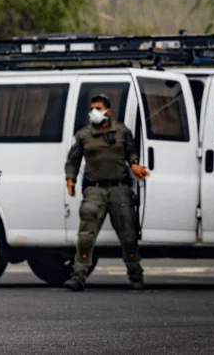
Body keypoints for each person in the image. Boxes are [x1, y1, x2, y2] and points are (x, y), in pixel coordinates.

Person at [64, 94, 151, 292]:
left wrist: (135, 165)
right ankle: (78, 276)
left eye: (99, 108)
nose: (94, 111)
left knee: (128, 235)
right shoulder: (84, 135)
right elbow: (73, 160)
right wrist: (71, 179)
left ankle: (136, 274)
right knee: (86, 235)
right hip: (95, 189)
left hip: (119, 189)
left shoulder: (121, 131)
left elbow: (131, 151)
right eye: (92, 107)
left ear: (108, 111)